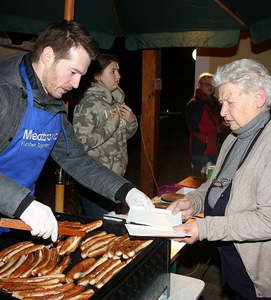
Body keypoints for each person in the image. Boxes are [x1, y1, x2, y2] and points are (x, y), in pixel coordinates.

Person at [0, 20, 153, 243]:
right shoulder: (4, 92)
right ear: (48, 56)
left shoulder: (53, 103)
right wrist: (23, 204)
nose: (76, 83)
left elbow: (77, 159)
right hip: (21, 206)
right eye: (73, 72)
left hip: (19, 220)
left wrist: (125, 191)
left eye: (81, 74)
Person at [169, 59, 271, 299]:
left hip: (264, 276)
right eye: (221, 103)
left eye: (230, 102)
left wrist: (205, 227)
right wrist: (195, 201)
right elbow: (217, 183)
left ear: (259, 98)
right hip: (234, 262)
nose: (222, 112)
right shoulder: (234, 137)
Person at [72, 54, 138, 216]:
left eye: (118, 71)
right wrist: (110, 126)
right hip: (95, 180)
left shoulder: (116, 102)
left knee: (110, 227)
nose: (118, 76)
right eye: (113, 71)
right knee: (100, 230)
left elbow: (124, 137)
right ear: (98, 76)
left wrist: (131, 121)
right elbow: (80, 143)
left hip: (115, 180)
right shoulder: (88, 105)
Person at [185, 72, 222, 175]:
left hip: (213, 148)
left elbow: (218, 122)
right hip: (200, 149)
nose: (210, 87)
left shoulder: (215, 103)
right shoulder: (195, 103)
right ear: (199, 85)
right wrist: (216, 128)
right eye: (206, 84)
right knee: (200, 180)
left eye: (212, 84)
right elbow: (193, 127)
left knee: (212, 179)